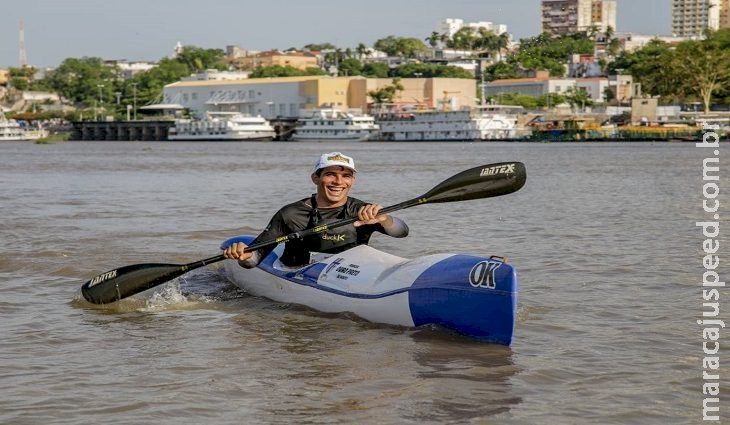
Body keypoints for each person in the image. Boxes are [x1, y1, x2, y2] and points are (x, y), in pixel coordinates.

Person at [224, 152, 408, 268]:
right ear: (315, 178)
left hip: (350, 273)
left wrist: (385, 219)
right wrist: (245, 257)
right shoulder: (291, 214)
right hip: (297, 270)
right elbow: (255, 258)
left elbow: (402, 233)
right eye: (330, 175)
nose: (338, 182)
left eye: (346, 176)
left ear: (352, 181)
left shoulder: (363, 210)